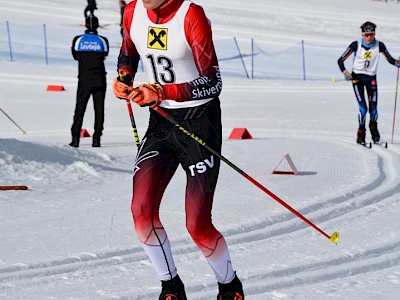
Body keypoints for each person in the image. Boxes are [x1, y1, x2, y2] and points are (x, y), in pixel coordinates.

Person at [112, 0, 245, 299]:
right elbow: (129, 51)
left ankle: (229, 286)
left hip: (199, 125)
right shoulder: (132, 11)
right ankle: (170, 286)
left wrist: (161, 91)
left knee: (197, 225)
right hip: (161, 121)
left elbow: (212, 82)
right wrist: (124, 77)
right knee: (141, 211)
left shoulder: (190, 15)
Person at [337, 21, 400, 145]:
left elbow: (391, 60)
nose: (369, 37)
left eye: (371, 34)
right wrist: (345, 72)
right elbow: (340, 60)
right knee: (363, 109)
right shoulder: (356, 45)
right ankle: (361, 132)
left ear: (374, 33)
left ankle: (374, 129)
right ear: (362, 35)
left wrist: (397, 63)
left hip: (371, 78)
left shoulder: (379, 45)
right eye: (366, 35)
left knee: (374, 109)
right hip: (357, 79)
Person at [70, 15, 109, 148]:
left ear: (85, 25)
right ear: (97, 26)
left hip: (84, 79)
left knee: (80, 109)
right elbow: (105, 55)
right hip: (99, 79)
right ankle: (96, 139)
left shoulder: (78, 40)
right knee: (99, 109)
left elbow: (75, 56)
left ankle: (75, 139)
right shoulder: (103, 40)